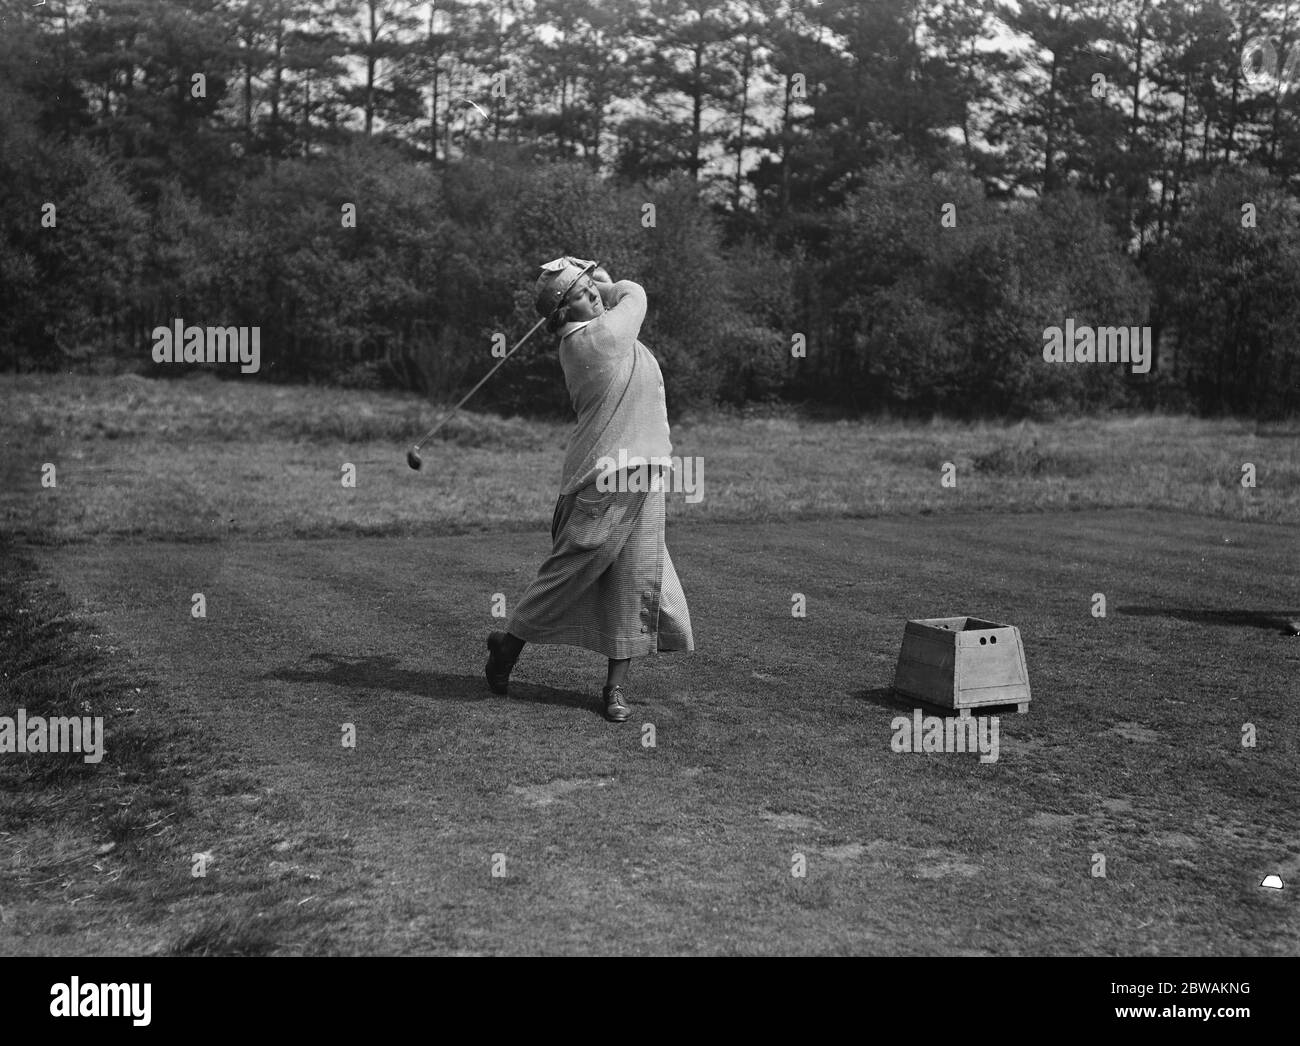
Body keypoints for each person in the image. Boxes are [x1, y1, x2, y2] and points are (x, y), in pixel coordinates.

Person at [484, 256, 694, 722]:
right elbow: (634, 292)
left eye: (589, 287)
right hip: (606, 476)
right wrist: (608, 279)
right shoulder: (594, 340)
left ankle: (614, 689)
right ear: (562, 313)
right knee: (573, 569)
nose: (593, 294)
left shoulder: (604, 330)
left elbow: (618, 299)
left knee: (637, 578)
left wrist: (591, 281)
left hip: (646, 471)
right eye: (580, 292)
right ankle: (508, 646)